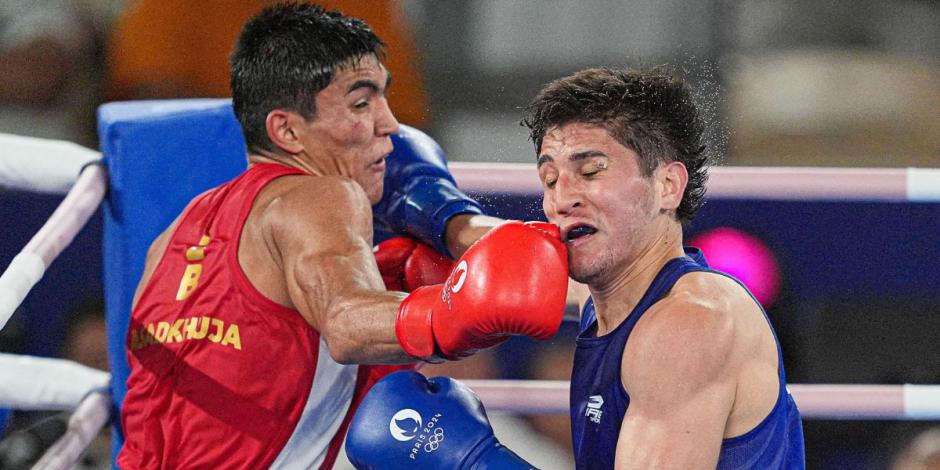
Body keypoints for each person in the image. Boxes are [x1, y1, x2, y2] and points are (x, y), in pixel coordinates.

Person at [117, 3, 570, 469]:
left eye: (383, 98)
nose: (390, 124)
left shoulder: (177, 233)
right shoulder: (319, 195)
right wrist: (460, 306)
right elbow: (348, 321)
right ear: (287, 130)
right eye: (360, 103)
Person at [346, 66, 805, 469]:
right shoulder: (614, 299)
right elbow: (514, 262)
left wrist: (475, 464)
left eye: (590, 172)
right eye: (550, 179)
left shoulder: (690, 323)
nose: (561, 199)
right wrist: (436, 213)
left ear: (667, 186)